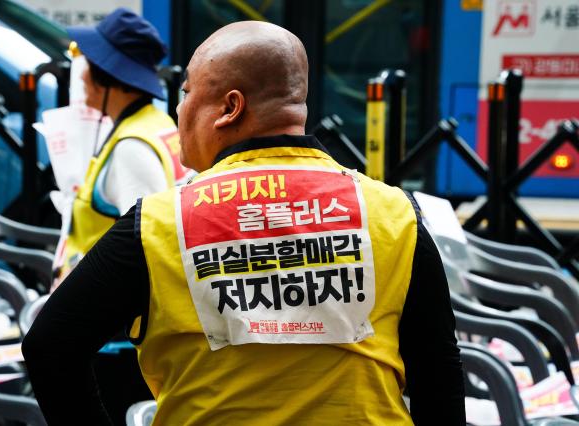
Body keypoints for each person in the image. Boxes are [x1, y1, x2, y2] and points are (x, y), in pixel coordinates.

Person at [23, 21, 465, 425]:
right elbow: (439, 374)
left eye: (188, 91)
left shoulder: (159, 222)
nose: (178, 111)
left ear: (229, 107)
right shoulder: (395, 214)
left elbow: (50, 346)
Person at [52, 7, 190, 289]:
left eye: (88, 67)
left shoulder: (131, 149)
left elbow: (142, 250)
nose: (81, 78)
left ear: (107, 77)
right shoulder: (156, 123)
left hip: (107, 323)